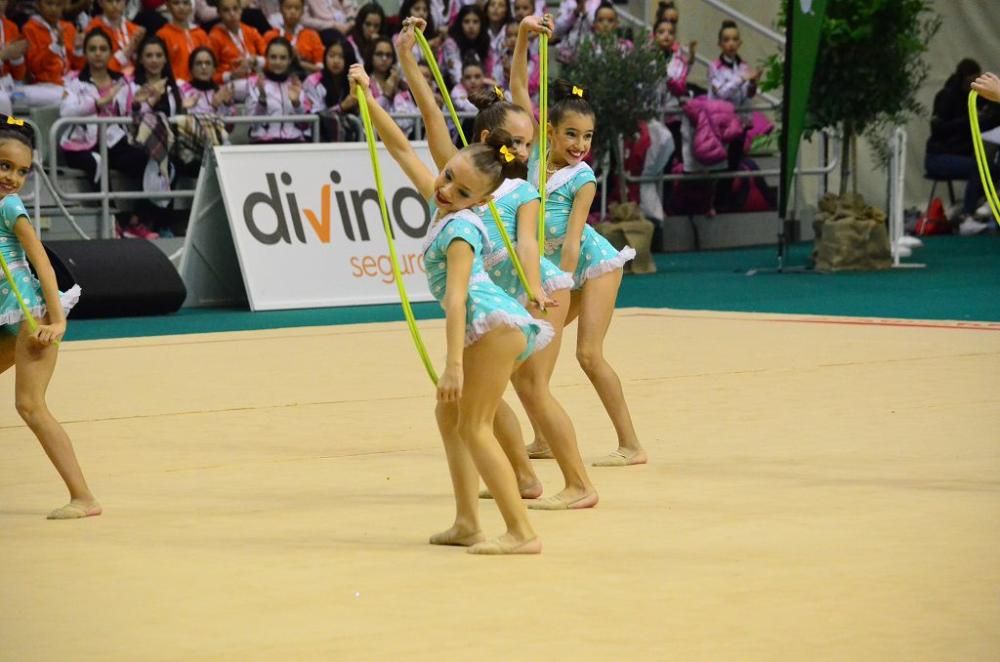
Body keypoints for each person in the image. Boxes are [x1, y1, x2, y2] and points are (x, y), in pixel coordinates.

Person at [398, 17, 598, 508]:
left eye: (530, 143)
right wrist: (408, 57)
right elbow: (429, 116)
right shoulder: (471, 175)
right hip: (500, 296)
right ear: (489, 140)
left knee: (531, 385)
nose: (528, 151)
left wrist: (533, 287)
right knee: (490, 390)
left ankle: (579, 484)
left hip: (538, 290)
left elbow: (528, 245)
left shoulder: (524, 184)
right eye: (520, 142)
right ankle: (525, 478)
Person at [349, 61, 547, 553]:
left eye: (461, 192)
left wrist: (453, 364)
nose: (445, 190)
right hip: (490, 323)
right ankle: (466, 521)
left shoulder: (460, 228)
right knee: (449, 417)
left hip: (491, 325)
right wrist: (367, 97)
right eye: (447, 177)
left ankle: (521, 532)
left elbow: (457, 298)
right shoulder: (444, 203)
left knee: (476, 425)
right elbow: (398, 147)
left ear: (478, 202)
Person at [512, 15, 646, 467]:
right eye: (571, 134)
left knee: (588, 353)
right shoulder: (530, 162)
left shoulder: (582, 178)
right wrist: (524, 36)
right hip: (555, 272)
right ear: (548, 131)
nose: (580, 144)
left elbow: (572, 243)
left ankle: (631, 444)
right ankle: (544, 438)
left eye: (587, 137)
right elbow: (516, 92)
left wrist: (560, 287)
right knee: (531, 349)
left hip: (591, 265)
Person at [0, 115, 99, 520]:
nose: (13, 177)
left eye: (22, 171)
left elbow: (41, 262)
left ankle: (84, 497)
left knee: (30, 405)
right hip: (6, 317)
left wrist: (57, 322)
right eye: (5, 165)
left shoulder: (9, 206)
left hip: (30, 316)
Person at [925, 58, 999, 235]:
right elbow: (938, 128)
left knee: (992, 168)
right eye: (970, 81)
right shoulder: (946, 96)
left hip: (961, 154)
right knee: (979, 168)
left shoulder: (977, 98)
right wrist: (967, 122)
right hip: (938, 156)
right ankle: (967, 216)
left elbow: (987, 122)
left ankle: (979, 207)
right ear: (963, 78)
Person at [246, 37, 309, 143]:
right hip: (265, 144)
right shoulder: (255, 83)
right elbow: (253, 125)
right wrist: (262, 99)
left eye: (283, 58)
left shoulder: (296, 83)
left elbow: (305, 126)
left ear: (289, 60)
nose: (278, 62)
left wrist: (296, 103)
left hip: (294, 142)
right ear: (266, 58)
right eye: (273, 57)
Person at [208, 0, 266, 100]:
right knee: (256, 90)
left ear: (241, 10)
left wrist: (254, 60)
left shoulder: (251, 31)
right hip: (229, 84)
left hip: (254, 80)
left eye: (235, 9)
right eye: (226, 10)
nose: (232, 14)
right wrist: (231, 75)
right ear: (219, 13)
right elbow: (209, 74)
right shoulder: (214, 37)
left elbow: (269, 57)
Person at [85, 0, 146, 76]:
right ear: (100, 3)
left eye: (118, 1)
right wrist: (130, 48)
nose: (114, 5)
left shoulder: (134, 29)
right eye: (109, 1)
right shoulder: (93, 28)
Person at [155, 0, 210, 82]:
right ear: (168, 6)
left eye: (185, 3)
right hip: (177, 85)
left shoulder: (200, 33)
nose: (181, 7)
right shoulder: (162, 35)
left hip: (202, 84)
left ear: (191, 7)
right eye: (176, 3)